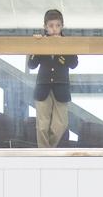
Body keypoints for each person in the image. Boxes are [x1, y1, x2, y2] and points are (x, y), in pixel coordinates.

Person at [27, 8, 79, 148]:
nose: (54, 29)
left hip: (61, 88)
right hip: (43, 87)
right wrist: (36, 45)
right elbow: (31, 64)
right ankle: (43, 153)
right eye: (51, 26)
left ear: (62, 26)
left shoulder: (67, 42)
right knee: (42, 126)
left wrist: (62, 50)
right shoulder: (41, 42)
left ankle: (50, 151)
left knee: (60, 125)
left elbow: (74, 64)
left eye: (57, 25)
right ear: (45, 27)